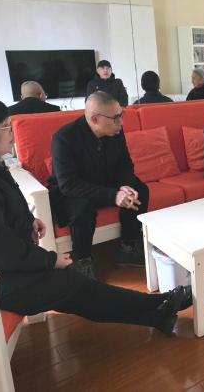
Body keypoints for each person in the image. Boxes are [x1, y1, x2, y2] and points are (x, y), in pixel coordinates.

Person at [0, 96, 189, 335]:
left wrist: (28, 220)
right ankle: (158, 305)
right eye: (5, 126)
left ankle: (157, 311)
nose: (12, 133)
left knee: (70, 285)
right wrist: (50, 260)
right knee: (67, 282)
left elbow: (2, 206)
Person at [47, 91, 149, 278]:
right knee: (82, 209)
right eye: (116, 118)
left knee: (139, 190)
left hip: (105, 180)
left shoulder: (115, 131)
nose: (121, 122)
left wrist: (124, 186)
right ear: (94, 119)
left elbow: (125, 163)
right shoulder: (64, 138)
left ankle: (128, 246)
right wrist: (113, 195)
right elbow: (68, 184)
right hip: (74, 190)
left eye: (121, 115)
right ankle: (83, 260)